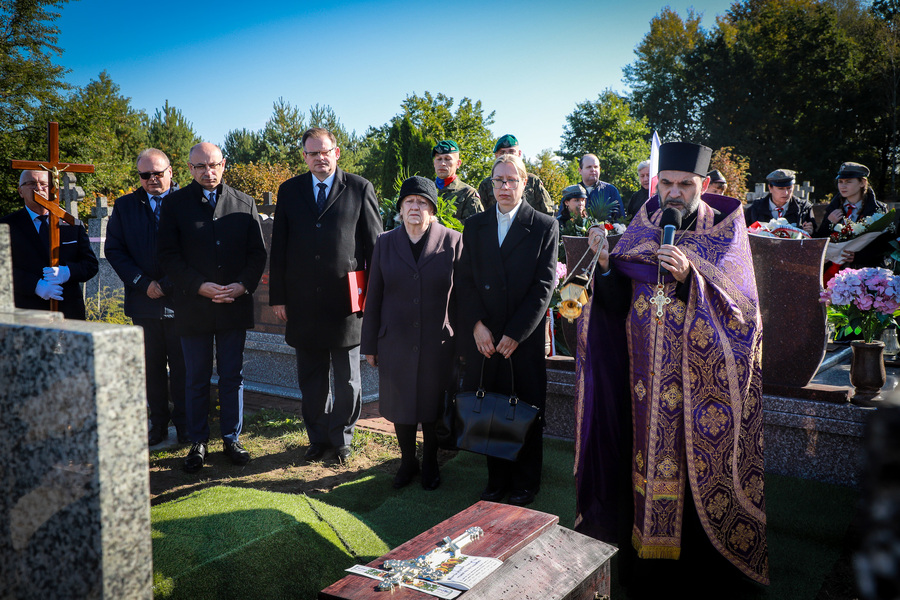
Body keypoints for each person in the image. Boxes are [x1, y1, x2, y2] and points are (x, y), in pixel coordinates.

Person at [575, 142, 768, 595]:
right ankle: (643, 574)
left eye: (684, 184)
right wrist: (606, 268)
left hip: (700, 396)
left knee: (693, 480)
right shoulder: (642, 227)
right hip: (640, 387)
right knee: (637, 468)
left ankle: (699, 579)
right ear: (656, 184)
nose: (674, 193)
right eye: (666, 183)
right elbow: (615, 306)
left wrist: (690, 281)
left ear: (703, 184)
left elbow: (745, 317)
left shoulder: (724, 232)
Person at [269, 127, 382, 464]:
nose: (320, 158)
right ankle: (317, 438)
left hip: (346, 303)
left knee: (347, 379)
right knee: (312, 378)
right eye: (312, 153)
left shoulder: (360, 188)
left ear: (337, 153)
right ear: (304, 157)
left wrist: (374, 297)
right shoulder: (290, 190)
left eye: (325, 151)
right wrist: (278, 297)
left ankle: (342, 438)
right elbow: (279, 248)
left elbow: (375, 248)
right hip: (302, 302)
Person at [455, 153, 558, 507]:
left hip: (521, 338)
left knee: (525, 406)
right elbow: (465, 282)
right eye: (498, 180)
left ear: (524, 183)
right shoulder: (475, 225)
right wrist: (476, 326)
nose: (504, 186)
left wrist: (517, 333)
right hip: (486, 337)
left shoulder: (543, 225)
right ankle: (497, 480)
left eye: (511, 180)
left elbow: (544, 286)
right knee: (492, 406)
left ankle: (526, 482)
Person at [157, 142, 267, 473]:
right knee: (196, 376)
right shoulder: (175, 204)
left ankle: (231, 438)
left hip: (234, 303)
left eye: (214, 165)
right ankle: (198, 441)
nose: (208, 172)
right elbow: (168, 256)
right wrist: (199, 286)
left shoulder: (244, 202)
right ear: (190, 169)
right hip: (194, 305)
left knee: (232, 375)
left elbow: (257, 254)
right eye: (201, 166)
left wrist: (242, 285)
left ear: (224, 164)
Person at [361, 176, 463, 490]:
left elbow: (463, 297)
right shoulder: (385, 242)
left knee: (432, 407)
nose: (415, 207)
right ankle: (408, 461)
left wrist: (463, 346)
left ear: (433, 209)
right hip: (395, 341)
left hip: (437, 342)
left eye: (422, 202)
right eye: (409, 202)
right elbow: (374, 295)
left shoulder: (453, 241)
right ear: (400, 208)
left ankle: (430, 461)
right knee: (401, 405)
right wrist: (369, 344)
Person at [106, 148, 187, 446]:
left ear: (170, 172)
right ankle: (158, 424)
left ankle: (186, 424)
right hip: (143, 302)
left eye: (158, 173)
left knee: (183, 367)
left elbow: (195, 251)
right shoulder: (125, 206)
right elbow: (114, 249)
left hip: (182, 301)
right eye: (145, 174)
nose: (152, 179)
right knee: (151, 368)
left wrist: (166, 285)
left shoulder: (187, 202)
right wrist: (143, 283)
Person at [1, 169, 98, 320]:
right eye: (31, 183)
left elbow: (90, 265)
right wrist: (35, 285)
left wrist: (67, 272)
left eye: (44, 184)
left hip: (69, 312)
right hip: (26, 311)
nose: (39, 188)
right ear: (20, 191)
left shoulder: (71, 224)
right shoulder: (6, 225)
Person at [814, 162, 889, 268]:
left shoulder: (877, 210)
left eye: (848, 182)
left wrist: (858, 256)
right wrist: (829, 223)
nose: (843, 186)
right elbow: (820, 240)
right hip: (834, 270)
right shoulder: (833, 208)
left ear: (862, 182)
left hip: (865, 270)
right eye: (840, 182)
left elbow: (884, 245)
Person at [477, 134, 555, 215]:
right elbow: (481, 215)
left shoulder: (533, 181)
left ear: (519, 154)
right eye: (502, 152)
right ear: (496, 156)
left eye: (511, 152)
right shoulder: (486, 184)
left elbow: (547, 213)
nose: (507, 155)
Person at [744, 168, 814, 234]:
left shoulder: (804, 209)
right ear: (770, 188)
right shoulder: (755, 209)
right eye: (780, 188)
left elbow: (815, 237)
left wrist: (810, 232)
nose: (786, 193)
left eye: (789, 188)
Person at [432, 140, 483, 222]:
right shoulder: (427, 190)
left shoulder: (468, 193)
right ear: (434, 163)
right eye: (439, 159)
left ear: (458, 163)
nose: (442, 163)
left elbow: (477, 224)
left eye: (447, 159)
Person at [579, 154, 624, 220]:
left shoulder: (610, 191)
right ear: (580, 170)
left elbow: (621, 219)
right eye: (589, 167)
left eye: (596, 167)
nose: (593, 170)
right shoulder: (573, 192)